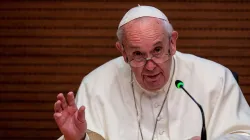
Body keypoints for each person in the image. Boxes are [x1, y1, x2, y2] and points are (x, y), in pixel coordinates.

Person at [54, 5, 250, 140]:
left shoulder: (216, 78)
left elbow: (245, 134)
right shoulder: (95, 84)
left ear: (172, 43)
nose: (150, 66)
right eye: (138, 54)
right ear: (123, 52)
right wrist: (78, 138)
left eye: (157, 50)